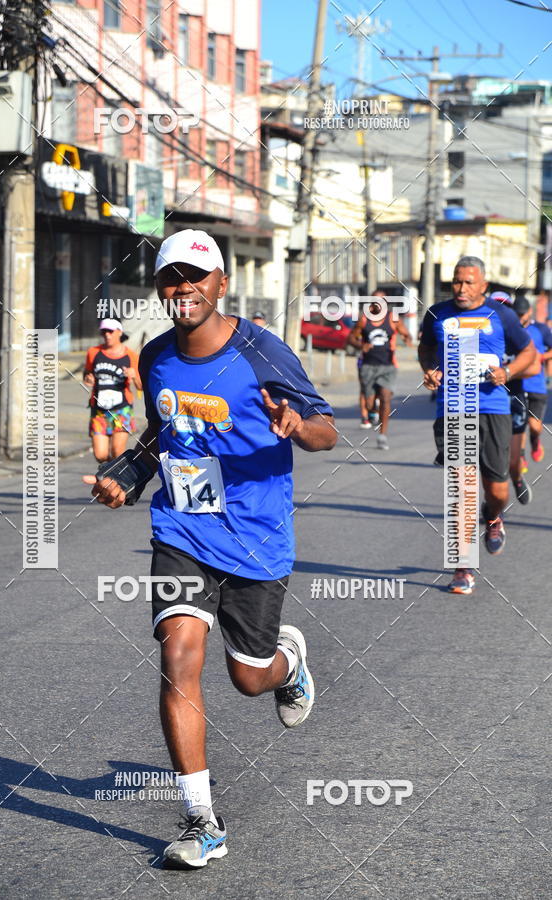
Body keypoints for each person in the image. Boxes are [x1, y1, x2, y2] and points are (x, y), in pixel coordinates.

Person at [83, 229, 337, 869]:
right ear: (160, 288)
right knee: (179, 659)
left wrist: (296, 427)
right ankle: (202, 822)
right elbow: (160, 434)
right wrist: (128, 477)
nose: (183, 288)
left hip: (255, 536)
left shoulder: (260, 350)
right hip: (182, 530)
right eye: (171, 277)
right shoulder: (156, 356)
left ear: (221, 282)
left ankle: (288, 664)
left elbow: (326, 430)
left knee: (249, 678)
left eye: (196, 276)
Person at [418, 256, 536, 595]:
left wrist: (508, 373)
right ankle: (462, 567)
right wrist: (431, 370)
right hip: (453, 409)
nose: (461, 288)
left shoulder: (502, 315)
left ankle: (494, 517)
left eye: (469, 282)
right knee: (462, 487)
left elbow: (528, 353)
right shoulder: (438, 313)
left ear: (484, 286)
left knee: (496, 491)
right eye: (457, 281)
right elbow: (426, 349)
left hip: (493, 408)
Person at [348, 291, 412, 448]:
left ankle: (382, 435)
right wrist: (361, 345)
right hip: (368, 366)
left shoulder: (392, 318)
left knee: (385, 397)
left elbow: (406, 333)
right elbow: (351, 338)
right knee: (369, 403)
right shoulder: (364, 320)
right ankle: (372, 410)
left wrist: (407, 338)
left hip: (388, 366)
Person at [83, 319, 142, 463]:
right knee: (100, 455)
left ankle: (113, 480)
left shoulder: (131, 355)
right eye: (104, 332)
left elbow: (141, 386)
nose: (107, 335)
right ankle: (111, 472)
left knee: (117, 452)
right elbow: (87, 373)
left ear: (119, 332)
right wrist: (88, 379)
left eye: (110, 331)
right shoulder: (93, 352)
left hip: (122, 410)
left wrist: (134, 377)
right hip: (99, 411)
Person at [513, 296, 552, 465]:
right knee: (519, 425)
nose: (521, 317)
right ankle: (520, 456)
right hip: (517, 385)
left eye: (523, 314)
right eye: (517, 314)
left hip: (537, 386)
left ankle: (535, 441)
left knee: (535, 426)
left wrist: (541, 357)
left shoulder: (541, 329)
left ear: (530, 312)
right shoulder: (510, 328)